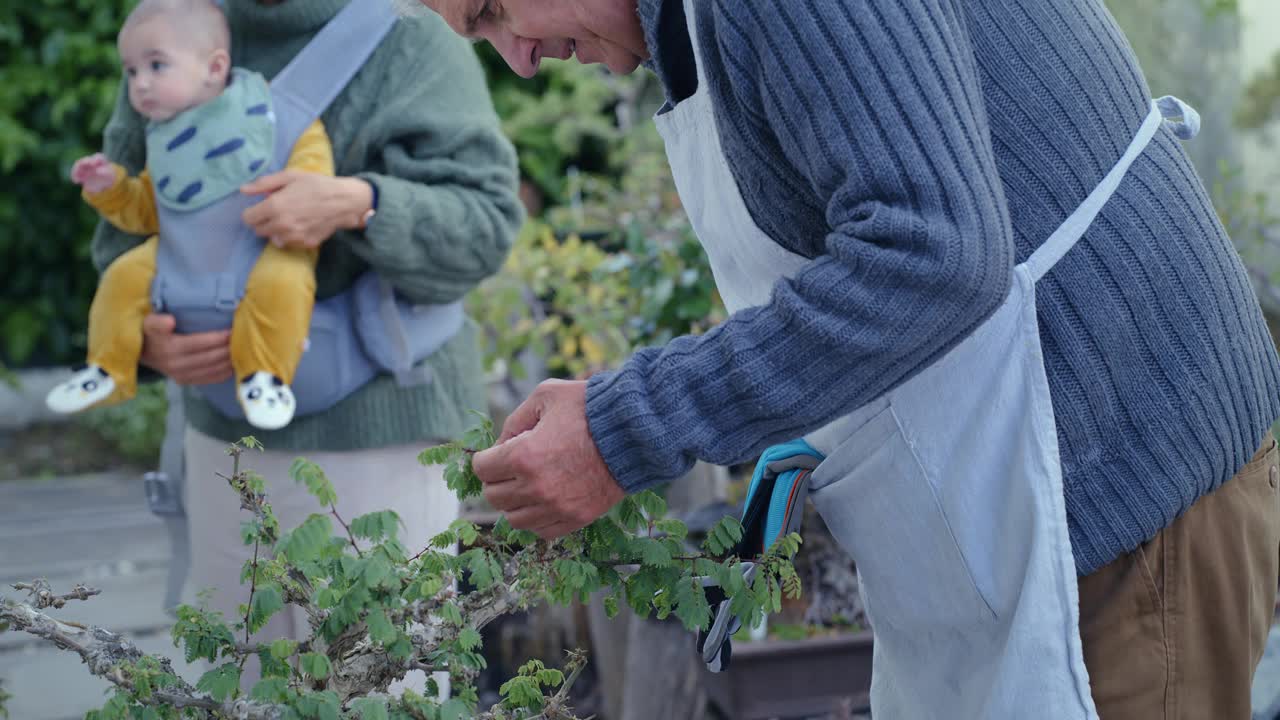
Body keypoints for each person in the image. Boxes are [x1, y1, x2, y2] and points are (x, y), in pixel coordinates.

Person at [421, 0, 1280, 717]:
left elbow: (932, 250)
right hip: (1031, 501)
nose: (521, 62)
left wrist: (624, 428)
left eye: (496, 7)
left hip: (1123, 485)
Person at [89, 0, 524, 689]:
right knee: (238, 690)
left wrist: (360, 202)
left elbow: (486, 225)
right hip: (224, 438)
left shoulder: (409, 41)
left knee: (386, 694)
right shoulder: (171, 34)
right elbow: (123, 230)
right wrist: (146, 341)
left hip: (381, 430)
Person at [53, 0, 332, 431]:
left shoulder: (272, 113)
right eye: (131, 71)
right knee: (122, 278)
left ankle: (265, 376)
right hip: (180, 253)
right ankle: (107, 367)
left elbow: (312, 169)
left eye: (156, 66)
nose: (140, 84)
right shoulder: (166, 135)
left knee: (286, 282)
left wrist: (304, 192)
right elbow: (150, 210)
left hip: (265, 245)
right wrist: (109, 189)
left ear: (215, 67)